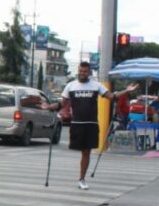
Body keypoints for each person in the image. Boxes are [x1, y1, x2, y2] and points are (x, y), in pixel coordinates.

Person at [58, 62, 137, 190]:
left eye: (85, 71)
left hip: (91, 124)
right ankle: (81, 177)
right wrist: (49, 108)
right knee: (78, 151)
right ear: (78, 71)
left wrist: (126, 91)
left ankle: (81, 179)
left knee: (86, 152)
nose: (83, 73)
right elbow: (62, 104)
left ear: (89, 72)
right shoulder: (70, 86)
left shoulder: (96, 85)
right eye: (81, 71)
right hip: (76, 124)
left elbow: (112, 97)